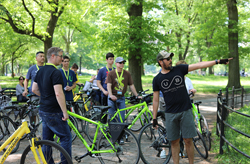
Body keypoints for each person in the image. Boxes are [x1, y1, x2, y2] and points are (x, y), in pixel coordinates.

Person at [152, 50, 232, 164]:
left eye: (171, 58)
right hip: (170, 113)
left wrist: (217, 61)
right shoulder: (157, 79)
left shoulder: (179, 69)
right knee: (174, 142)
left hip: (185, 110)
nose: (170, 61)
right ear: (160, 62)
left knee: (188, 140)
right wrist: (154, 118)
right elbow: (155, 100)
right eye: (167, 59)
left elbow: (198, 65)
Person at [32, 47, 71, 161]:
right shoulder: (56, 72)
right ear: (53, 56)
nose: (62, 58)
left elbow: (34, 89)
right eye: (60, 56)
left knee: (47, 141)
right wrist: (65, 112)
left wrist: (45, 96)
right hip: (54, 111)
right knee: (65, 137)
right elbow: (59, 93)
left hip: (43, 109)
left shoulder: (40, 71)